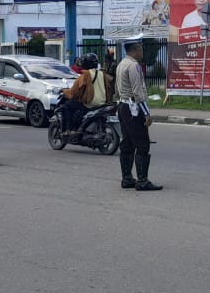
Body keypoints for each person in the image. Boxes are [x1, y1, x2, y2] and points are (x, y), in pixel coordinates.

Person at [115, 37, 159, 191]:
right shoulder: (134, 66)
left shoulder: (121, 64)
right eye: (140, 48)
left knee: (127, 143)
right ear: (135, 50)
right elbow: (138, 93)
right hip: (133, 108)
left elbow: (118, 88)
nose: (142, 51)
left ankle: (127, 178)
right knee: (142, 144)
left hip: (123, 106)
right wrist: (147, 114)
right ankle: (142, 180)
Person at [60, 53, 112, 140]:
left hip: (90, 104)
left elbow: (74, 92)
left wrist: (65, 91)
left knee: (68, 105)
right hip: (102, 103)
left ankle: (69, 130)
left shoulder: (85, 75)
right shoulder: (102, 74)